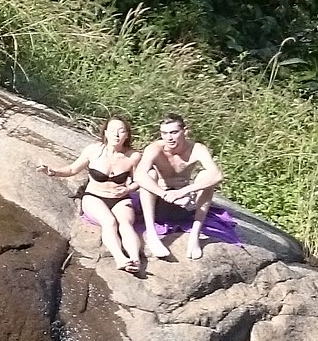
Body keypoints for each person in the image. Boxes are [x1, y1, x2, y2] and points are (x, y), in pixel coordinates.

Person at [38, 117, 150, 276]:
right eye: (112, 130)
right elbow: (72, 169)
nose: (116, 135)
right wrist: (53, 171)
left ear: (127, 135)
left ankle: (135, 260)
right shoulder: (94, 150)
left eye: (121, 131)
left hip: (120, 197)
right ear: (105, 133)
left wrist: (127, 190)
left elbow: (139, 180)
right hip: (95, 196)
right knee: (109, 222)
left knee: (126, 223)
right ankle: (120, 258)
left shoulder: (133, 156)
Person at [138, 112, 225, 261]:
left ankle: (194, 235)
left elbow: (217, 175)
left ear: (185, 131)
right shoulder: (155, 149)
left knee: (206, 176)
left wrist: (184, 192)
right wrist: (164, 194)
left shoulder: (196, 148)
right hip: (160, 202)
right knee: (149, 175)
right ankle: (152, 235)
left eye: (174, 132)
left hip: (185, 203)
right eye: (164, 133)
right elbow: (138, 175)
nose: (169, 138)